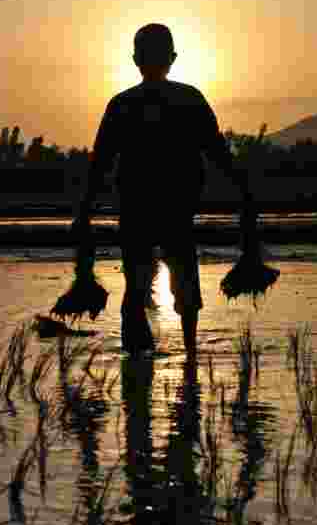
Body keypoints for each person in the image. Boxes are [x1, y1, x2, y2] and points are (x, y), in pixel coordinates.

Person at [73, 23, 254, 356]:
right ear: (172, 58)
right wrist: (244, 194)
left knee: (136, 286)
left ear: (135, 59)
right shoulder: (188, 99)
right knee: (184, 281)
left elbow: (98, 166)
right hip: (176, 209)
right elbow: (218, 154)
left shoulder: (122, 104)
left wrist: (84, 211)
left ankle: (138, 369)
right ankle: (189, 356)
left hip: (136, 210)